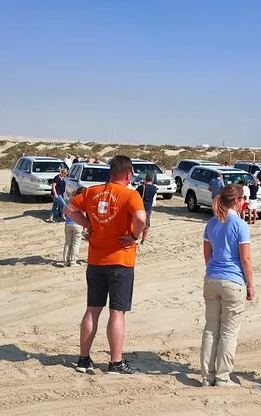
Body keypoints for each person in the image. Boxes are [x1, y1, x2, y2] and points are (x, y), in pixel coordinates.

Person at [64, 155, 146, 375]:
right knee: (117, 312)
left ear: (111, 173)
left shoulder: (92, 192)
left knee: (92, 309)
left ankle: (83, 359)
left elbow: (69, 209)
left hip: (96, 260)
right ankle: (115, 362)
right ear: (128, 174)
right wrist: (133, 236)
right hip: (121, 260)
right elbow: (141, 219)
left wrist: (88, 224)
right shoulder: (130, 194)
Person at [200, 184, 254, 387]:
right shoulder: (240, 225)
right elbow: (245, 258)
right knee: (228, 332)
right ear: (237, 201)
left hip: (212, 278)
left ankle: (207, 377)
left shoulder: (212, 222)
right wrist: (250, 284)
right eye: (242, 200)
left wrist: (212, 269)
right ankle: (222, 377)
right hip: (233, 281)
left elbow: (207, 253)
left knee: (211, 329)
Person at [63, 186, 87, 266]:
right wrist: (86, 226)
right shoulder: (81, 201)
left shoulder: (71, 199)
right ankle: (73, 261)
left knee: (68, 243)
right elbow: (83, 214)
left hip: (68, 223)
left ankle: (66, 261)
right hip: (77, 224)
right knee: (76, 243)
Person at [135, 172, 158, 244]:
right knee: (146, 224)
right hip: (148, 208)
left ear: (145, 179)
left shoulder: (142, 187)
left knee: (138, 223)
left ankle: (136, 238)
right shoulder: (154, 188)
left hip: (140, 207)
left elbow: (135, 194)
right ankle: (143, 240)